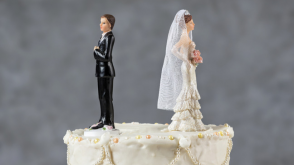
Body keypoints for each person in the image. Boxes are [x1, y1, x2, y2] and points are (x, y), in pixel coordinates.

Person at [158, 10, 206, 132]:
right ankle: (185, 121)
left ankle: (190, 119)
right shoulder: (184, 36)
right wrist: (186, 60)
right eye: (191, 22)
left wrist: (193, 58)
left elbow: (182, 51)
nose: (193, 24)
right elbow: (174, 49)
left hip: (189, 66)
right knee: (188, 88)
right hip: (187, 67)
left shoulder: (186, 35)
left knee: (191, 87)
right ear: (185, 25)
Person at [90, 14, 115, 129]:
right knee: (101, 96)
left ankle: (108, 122)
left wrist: (96, 51)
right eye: (100, 22)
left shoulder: (109, 37)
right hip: (100, 71)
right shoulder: (103, 36)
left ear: (110, 25)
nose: (100, 25)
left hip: (106, 71)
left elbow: (106, 56)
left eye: (103, 23)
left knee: (106, 96)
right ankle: (103, 119)